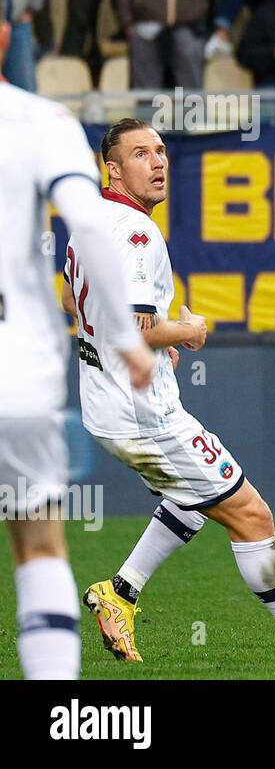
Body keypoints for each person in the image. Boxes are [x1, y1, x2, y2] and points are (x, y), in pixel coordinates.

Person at [70, 117, 275, 665]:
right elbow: (136, 326)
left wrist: (143, 342)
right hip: (142, 413)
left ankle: (119, 593)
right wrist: (185, 332)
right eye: (140, 154)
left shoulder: (88, 219)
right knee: (252, 515)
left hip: (106, 404)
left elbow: (74, 304)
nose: (157, 163)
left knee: (192, 501)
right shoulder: (135, 231)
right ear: (113, 168)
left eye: (161, 152)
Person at [0, 35, 153, 682]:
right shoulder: (43, 121)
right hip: (17, 373)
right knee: (38, 546)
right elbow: (88, 225)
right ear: (6, 38)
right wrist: (125, 335)